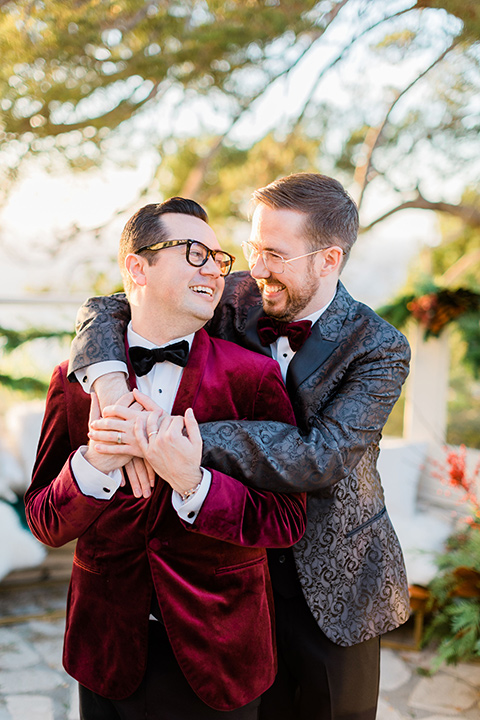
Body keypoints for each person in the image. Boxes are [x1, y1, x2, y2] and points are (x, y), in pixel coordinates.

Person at [67, 173, 411, 720]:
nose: (258, 268)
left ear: (329, 259)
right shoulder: (231, 297)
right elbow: (108, 308)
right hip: (232, 568)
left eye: (275, 253)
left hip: (335, 581)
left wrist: (177, 435)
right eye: (253, 248)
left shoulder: (380, 346)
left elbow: (320, 455)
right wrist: (112, 389)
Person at [25, 197, 307, 720]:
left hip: (222, 653)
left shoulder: (255, 377)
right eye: (195, 253)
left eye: (220, 260)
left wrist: (194, 483)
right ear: (138, 266)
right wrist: (93, 466)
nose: (216, 272)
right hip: (107, 649)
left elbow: (287, 520)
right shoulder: (75, 381)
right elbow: (43, 520)